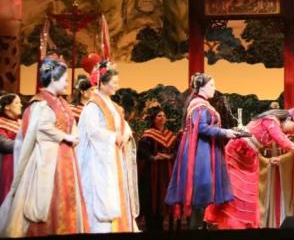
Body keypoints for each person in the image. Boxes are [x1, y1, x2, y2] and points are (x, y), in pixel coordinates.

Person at [0, 57, 90, 236]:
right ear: (54, 79)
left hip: (66, 157)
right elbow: (41, 127)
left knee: (68, 196)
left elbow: (70, 122)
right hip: (48, 159)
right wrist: (65, 136)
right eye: (64, 80)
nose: (67, 84)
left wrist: (74, 134)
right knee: (49, 199)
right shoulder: (40, 103)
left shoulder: (61, 102)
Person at [204, 103, 294, 229]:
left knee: (248, 194)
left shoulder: (275, 124)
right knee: (234, 191)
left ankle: (241, 226)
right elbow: (282, 141)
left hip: (249, 157)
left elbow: (274, 139)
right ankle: (232, 225)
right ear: (289, 118)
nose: (293, 129)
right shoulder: (271, 121)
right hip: (237, 153)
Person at [165, 73, 240, 229]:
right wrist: (224, 132)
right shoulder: (198, 105)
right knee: (201, 187)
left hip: (205, 148)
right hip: (200, 151)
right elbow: (201, 127)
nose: (214, 88)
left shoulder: (203, 104)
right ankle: (196, 228)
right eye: (211, 85)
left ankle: (201, 226)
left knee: (204, 191)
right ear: (202, 87)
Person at [77, 61, 139, 232]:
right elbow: (92, 131)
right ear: (102, 84)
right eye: (114, 82)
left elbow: (125, 125)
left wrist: (125, 134)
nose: (117, 86)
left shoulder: (114, 106)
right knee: (102, 195)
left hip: (115, 156)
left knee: (118, 192)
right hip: (100, 159)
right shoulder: (93, 106)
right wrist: (113, 137)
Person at [138, 105, 178, 231]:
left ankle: (160, 225)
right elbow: (142, 152)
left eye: (164, 116)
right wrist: (153, 157)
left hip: (166, 172)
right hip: (152, 172)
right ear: (153, 119)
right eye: (159, 116)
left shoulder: (170, 135)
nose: (162, 118)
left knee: (162, 199)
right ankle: (151, 227)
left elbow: (177, 151)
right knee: (152, 198)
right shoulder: (148, 135)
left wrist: (170, 155)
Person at [0, 94, 21, 205]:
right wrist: (24, 145)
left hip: (21, 162)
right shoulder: (1, 123)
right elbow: (3, 144)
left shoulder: (21, 122)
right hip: (7, 165)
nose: (20, 105)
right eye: (17, 103)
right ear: (7, 107)